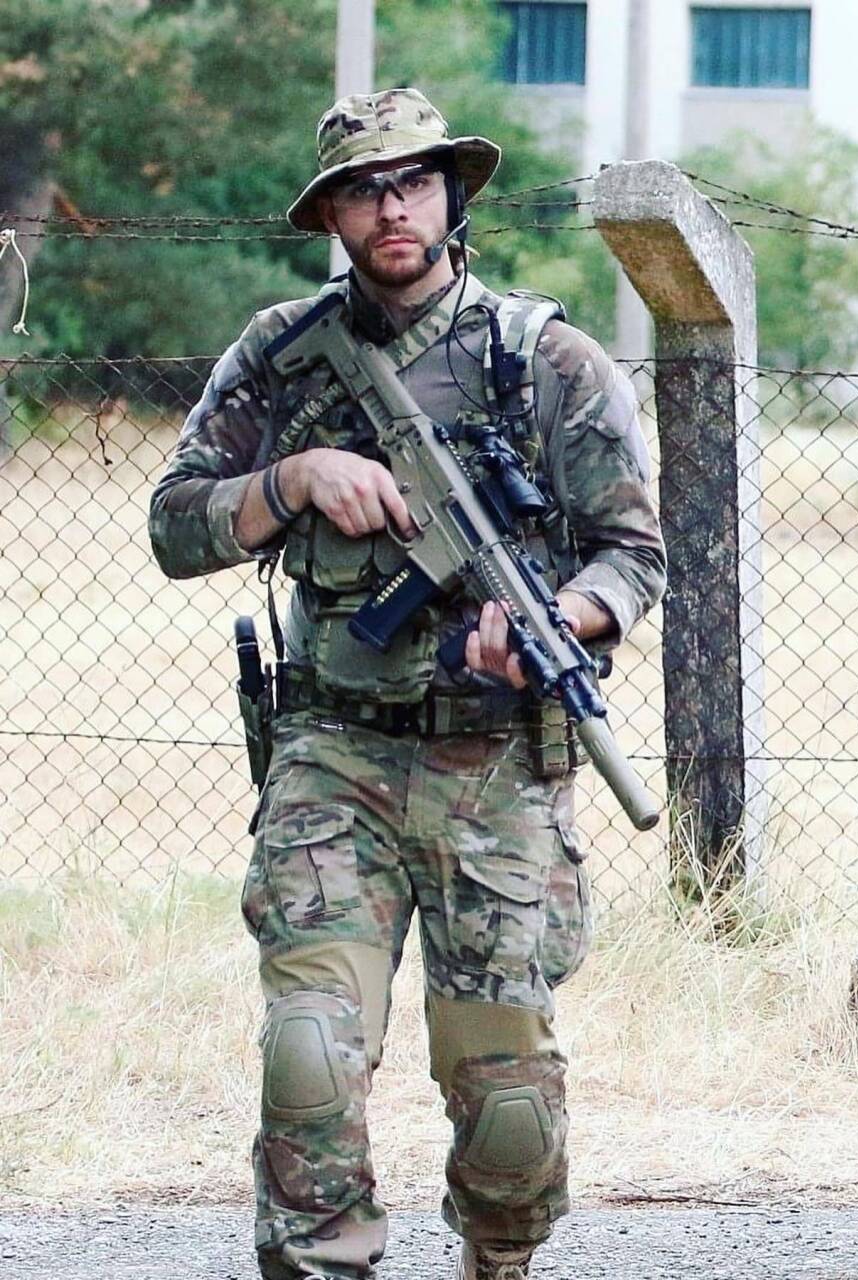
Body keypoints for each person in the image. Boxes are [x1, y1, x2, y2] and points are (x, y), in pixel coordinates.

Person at [149, 87, 665, 1280]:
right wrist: (291, 480)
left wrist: (559, 621)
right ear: (331, 214)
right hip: (332, 752)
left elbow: (633, 556)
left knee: (508, 1105)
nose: (392, 208)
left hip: (499, 766)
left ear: (452, 196)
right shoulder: (281, 355)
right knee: (309, 1056)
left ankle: (498, 1256)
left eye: (414, 182)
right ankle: (322, 1260)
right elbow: (175, 524)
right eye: (364, 190)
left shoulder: (546, 359)